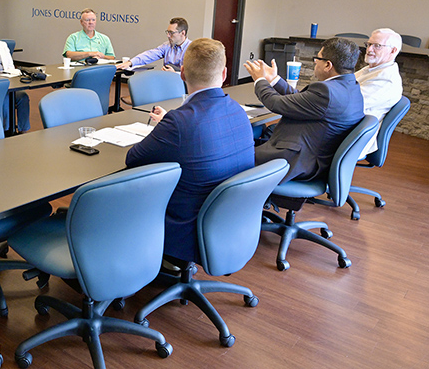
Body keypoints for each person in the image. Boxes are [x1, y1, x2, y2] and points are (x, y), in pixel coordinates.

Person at [125, 38, 255, 264]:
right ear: (224, 74)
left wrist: (167, 127)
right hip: (229, 221)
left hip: (186, 227)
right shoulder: (237, 110)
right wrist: (171, 125)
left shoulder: (179, 122)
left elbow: (133, 159)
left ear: (182, 73)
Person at [244, 37, 364, 184]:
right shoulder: (351, 87)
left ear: (328, 65)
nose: (315, 61)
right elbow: (301, 99)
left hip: (295, 161)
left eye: (317, 58)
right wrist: (273, 79)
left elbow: (275, 103)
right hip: (312, 156)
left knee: (232, 158)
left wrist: (259, 80)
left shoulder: (327, 92)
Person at [355, 29, 403, 156]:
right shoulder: (371, 69)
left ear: (393, 51)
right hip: (343, 127)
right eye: (369, 44)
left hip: (352, 137)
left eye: (377, 46)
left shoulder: (386, 80)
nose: (369, 49)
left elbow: (349, 105)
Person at [117, 17, 190, 72]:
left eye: (171, 33)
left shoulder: (193, 49)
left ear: (182, 33)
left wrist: (176, 74)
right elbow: (150, 55)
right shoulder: (167, 46)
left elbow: (194, 75)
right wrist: (130, 62)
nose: (168, 35)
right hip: (167, 82)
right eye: (167, 32)